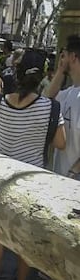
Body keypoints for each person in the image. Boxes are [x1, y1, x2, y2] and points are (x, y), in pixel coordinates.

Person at [0, 51, 66, 280]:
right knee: (26, 237)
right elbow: (61, 143)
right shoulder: (51, 108)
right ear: (43, 75)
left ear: (16, 72)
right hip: (32, 182)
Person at [46, 35, 80, 180]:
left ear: (72, 57)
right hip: (62, 177)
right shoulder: (69, 92)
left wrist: (74, 173)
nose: (61, 59)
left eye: (63, 55)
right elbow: (45, 101)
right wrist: (60, 70)